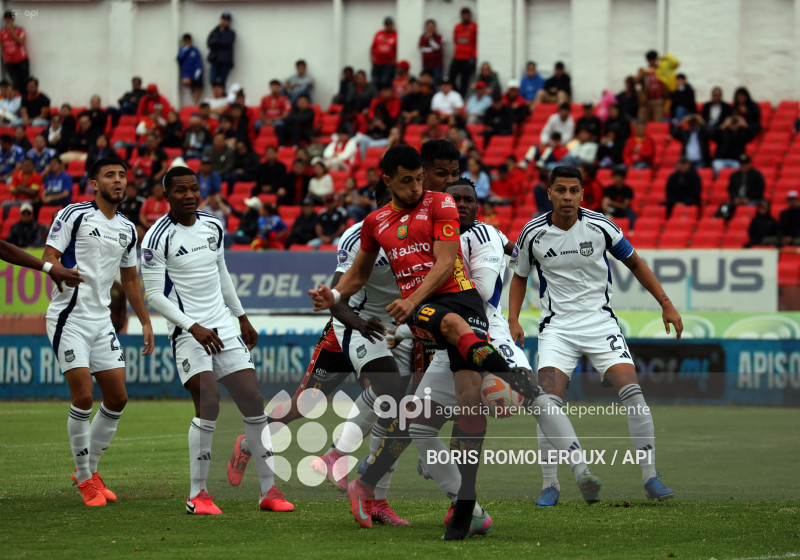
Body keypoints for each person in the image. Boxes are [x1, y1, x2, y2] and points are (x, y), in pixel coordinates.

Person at [309, 145, 533, 540]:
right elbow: (358, 274)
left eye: (421, 179)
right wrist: (335, 295)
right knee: (446, 329)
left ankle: (463, 504)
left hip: (459, 304)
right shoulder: (375, 222)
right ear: (389, 180)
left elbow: (447, 261)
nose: (418, 187)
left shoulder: (442, 206)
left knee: (426, 417)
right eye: (410, 180)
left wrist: (411, 299)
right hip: (427, 312)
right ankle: (509, 374)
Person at [508, 165, 681, 507]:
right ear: (550, 193)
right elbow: (518, 277)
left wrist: (666, 303)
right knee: (547, 402)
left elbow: (636, 264)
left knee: (633, 394)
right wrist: (512, 319)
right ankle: (550, 485)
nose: (567, 196)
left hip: (601, 325)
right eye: (560, 190)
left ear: (583, 194)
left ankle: (650, 478)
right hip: (557, 329)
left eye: (574, 190)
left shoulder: (601, 226)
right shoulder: (532, 233)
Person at [140, 166, 292, 514]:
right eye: (181, 190)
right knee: (208, 400)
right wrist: (192, 326)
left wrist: (241, 316)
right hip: (187, 331)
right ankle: (198, 495)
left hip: (223, 325)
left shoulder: (213, 225)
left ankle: (268, 492)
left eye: (194, 189)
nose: (190, 195)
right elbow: (154, 295)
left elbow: (221, 271)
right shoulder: (156, 237)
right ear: (167, 196)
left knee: (253, 400)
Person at [42, 157, 154, 507]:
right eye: (110, 175)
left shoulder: (127, 227)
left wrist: (145, 319)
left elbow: (131, 277)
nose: (118, 181)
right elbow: (49, 255)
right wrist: (59, 271)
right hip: (69, 317)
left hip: (101, 320)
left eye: (122, 175)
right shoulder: (74, 214)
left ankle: (87, 469)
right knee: (84, 398)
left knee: (118, 397)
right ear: (94, 182)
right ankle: (86, 478)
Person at [449, 7, 477, 96]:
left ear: (470, 16)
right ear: (461, 16)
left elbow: (476, 41)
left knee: (464, 80)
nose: (465, 16)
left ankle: (461, 97)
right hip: (457, 57)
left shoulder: (474, 26)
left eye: (467, 14)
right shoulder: (457, 27)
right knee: (451, 78)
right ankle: (456, 94)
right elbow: (455, 40)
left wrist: (473, 57)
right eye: (463, 14)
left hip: (468, 58)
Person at [1, 11, 29, 94]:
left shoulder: (20, 30)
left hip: (21, 59)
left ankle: (26, 99)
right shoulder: (2, 32)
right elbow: (2, 46)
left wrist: (11, 31)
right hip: (10, 61)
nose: (9, 20)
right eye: (7, 18)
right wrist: (4, 60)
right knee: (16, 82)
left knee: (25, 81)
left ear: (13, 19)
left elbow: (21, 41)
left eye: (10, 18)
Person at [636, 50, 667, 122]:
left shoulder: (661, 70)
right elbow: (636, 81)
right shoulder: (643, 70)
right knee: (641, 122)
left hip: (658, 101)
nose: (652, 62)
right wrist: (644, 73)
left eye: (653, 60)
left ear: (656, 59)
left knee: (658, 124)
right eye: (650, 60)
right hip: (646, 101)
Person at [206, 11, 235, 89]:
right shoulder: (214, 31)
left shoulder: (231, 33)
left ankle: (222, 97)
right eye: (223, 19)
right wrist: (218, 43)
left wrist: (216, 42)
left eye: (227, 20)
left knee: (222, 82)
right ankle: (216, 96)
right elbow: (209, 43)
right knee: (212, 80)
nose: (224, 22)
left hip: (225, 61)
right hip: (215, 59)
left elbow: (227, 43)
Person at [177, 33, 203, 106]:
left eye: (189, 41)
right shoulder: (182, 50)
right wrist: (184, 51)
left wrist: (198, 70)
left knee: (197, 89)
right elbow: (179, 59)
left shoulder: (195, 50)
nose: (187, 43)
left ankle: (195, 104)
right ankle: (192, 87)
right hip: (186, 73)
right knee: (186, 82)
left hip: (195, 73)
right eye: (185, 41)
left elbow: (198, 61)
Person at [370, 17, 397, 87]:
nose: (388, 26)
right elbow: (373, 47)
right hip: (377, 63)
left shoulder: (395, 35)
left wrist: (394, 61)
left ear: (392, 25)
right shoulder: (379, 34)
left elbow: (396, 49)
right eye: (386, 24)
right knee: (375, 81)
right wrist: (372, 58)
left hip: (388, 64)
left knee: (385, 81)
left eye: (389, 24)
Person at [418, 19, 444, 85]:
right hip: (426, 64)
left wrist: (430, 39)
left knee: (437, 79)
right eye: (429, 27)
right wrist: (432, 49)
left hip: (437, 64)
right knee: (424, 81)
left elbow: (437, 47)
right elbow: (421, 48)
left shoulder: (439, 37)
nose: (430, 29)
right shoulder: (422, 37)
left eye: (432, 27)